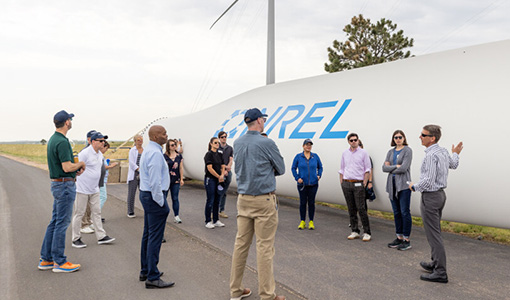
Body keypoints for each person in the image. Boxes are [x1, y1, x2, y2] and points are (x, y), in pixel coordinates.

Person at [230, 108, 286, 300]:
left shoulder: (237, 142)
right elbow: (281, 168)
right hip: (264, 199)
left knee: (241, 245)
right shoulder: (266, 142)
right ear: (259, 121)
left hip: (243, 198)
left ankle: (235, 290)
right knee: (264, 248)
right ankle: (267, 295)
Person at [409, 125, 463, 283]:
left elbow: (428, 181)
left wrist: (414, 186)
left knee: (434, 235)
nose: (420, 137)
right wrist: (456, 153)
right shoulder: (444, 151)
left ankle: (440, 272)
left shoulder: (430, 156)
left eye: (423, 135)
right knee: (435, 231)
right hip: (440, 196)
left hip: (431, 197)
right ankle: (435, 263)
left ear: (432, 138)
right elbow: (453, 164)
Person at [39, 110, 85, 273]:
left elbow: (63, 167)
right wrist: (79, 165)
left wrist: (74, 170)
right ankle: (59, 261)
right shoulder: (63, 141)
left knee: (55, 221)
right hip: (65, 185)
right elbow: (67, 167)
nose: (71, 121)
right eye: (70, 119)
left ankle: (46, 259)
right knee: (62, 223)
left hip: (58, 184)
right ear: (66, 122)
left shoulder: (53, 140)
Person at [139, 125, 175, 289]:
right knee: (154, 237)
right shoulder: (154, 153)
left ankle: (146, 270)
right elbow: (155, 182)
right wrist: (162, 203)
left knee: (148, 234)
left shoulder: (151, 150)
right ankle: (152, 277)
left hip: (148, 195)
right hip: (154, 197)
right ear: (154, 137)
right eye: (163, 133)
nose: (166, 136)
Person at [71, 132, 115, 248]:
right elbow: (76, 167)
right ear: (93, 141)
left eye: (103, 141)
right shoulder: (85, 153)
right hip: (82, 189)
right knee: (79, 213)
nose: (103, 143)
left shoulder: (99, 154)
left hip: (94, 188)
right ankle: (76, 238)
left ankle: (101, 236)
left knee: (97, 213)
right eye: (101, 141)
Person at [382, 130, 413, 251]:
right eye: (396, 137)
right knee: (396, 212)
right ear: (393, 139)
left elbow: (404, 168)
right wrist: (395, 166)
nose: (398, 139)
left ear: (404, 138)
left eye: (400, 137)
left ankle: (406, 239)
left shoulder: (407, 150)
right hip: (392, 185)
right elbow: (384, 168)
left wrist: (390, 168)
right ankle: (399, 237)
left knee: (404, 212)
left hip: (404, 186)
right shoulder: (390, 152)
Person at [339, 133, 372, 242]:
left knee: (361, 208)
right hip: (347, 183)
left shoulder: (363, 153)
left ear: (358, 141)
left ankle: (367, 232)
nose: (354, 142)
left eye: (355, 140)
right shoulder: (345, 153)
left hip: (358, 183)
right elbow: (342, 168)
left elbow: (367, 168)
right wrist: (342, 182)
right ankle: (355, 230)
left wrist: (365, 182)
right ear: (349, 142)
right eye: (351, 140)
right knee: (351, 208)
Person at [291, 138, 323, 230]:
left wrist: (319, 175)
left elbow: (320, 167)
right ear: (303, 146)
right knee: (303, 203)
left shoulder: (315, 156)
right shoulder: (298, 156)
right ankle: (302, 221)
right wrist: (297, 178)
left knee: (311, 203)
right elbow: (293, 168)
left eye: (310, 145)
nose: (308, 146)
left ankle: (311, 221)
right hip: (302, 185)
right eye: (307, 145)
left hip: (313, 184)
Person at [203, 137, 226, 229]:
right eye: (215, 143)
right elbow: (209, 168)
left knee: (217, 200)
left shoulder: (220, 154)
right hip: (211, 179)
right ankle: (208, 220)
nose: (217, 144)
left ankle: (216, 220)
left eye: (218, 143)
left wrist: (222, 175)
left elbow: (223, 166)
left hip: (218, 180)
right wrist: (218, 176)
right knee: (210, 200)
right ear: (211, 144)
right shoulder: (209, 155)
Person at [80, 130, 97, 234]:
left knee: (89, 205)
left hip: (92, 184)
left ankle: (88, 221)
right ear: (89, 139)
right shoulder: (85, 152)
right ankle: (83, 224)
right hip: (84, 184)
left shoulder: (94, 152)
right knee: (84, 205)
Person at [164, 139, 184, 223]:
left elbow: (180, 167)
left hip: (175, 180)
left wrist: (182, 179)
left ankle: (176, 216)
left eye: (175, 144)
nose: (174, 146)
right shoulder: (164, 156)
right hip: (166, 180)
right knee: (164, 198)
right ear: (168, 147)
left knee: (175, 198)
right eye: (172, 145)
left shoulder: (179, 156)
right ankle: (162, 215)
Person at [99, 141, 118, 220]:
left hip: (102, 179)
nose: (106, 150)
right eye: (106, 148)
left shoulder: (100, 156)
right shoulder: (99, 156)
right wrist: (111, 166)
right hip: (100, 180)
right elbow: (102, 167)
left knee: (98, 198)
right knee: (103, 197)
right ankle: (95, 215)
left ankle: (96, 215)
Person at [218, 131, 233, 218]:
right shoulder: (217, 147)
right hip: (220, 172)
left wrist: (228, 167)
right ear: (219, 138)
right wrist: (223, 170)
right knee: (218, 191)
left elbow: (231, 159)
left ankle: (221, 210)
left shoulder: (229, 148)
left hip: (227, 171)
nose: (224, 138)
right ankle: (214, 210)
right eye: (222, 137)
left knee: (224, 192)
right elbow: (217, 161)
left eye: (225, 137)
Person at [127, 134, 143, 218]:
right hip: (134, 173)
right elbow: (132, 163)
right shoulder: (132, 150)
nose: (140, 141)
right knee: (131, 193)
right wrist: (138, 169)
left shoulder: (144, 150)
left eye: (141, 140)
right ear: (135, 141)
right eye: (138, 140)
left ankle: (146, 210)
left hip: (143, 174)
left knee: (143, 193)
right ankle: (130, 211)